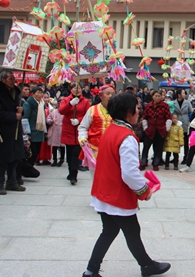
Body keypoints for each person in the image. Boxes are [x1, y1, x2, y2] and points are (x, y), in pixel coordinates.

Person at [83, 93, 171, 277]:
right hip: (117, 195)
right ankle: (146, 266)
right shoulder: (127, 137)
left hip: (104, 192)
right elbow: (130, 173)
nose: (139, 111)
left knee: (109, 231)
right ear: (127, 112)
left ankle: (91, 270)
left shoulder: (111, 129)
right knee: (132, 231)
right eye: (137, 108)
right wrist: (144, 191)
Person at [0, 70, 26, 195]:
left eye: (13, 78)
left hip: (16, 128)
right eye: (10, 79)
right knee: (3, 158)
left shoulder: (16, 91)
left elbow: (19, 110)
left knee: (16, 156)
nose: (13, 81)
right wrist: (13, 116)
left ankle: (12, 181)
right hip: (5, 129)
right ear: (3, 80)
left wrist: (20, 111)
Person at [59, 83, 91, 185]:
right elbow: (61, 111)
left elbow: (88, 114)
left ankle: (74, 175)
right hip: (68, 129)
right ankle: (70, 172)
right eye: (74, 88)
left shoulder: (85, 102)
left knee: (76, 154)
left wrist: (79, 120)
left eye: (79, 88)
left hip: (79, 130)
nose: (77, 90)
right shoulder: (66, 100)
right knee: (69, 154)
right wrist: (70, 104)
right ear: (70, 89)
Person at [78, 85, 115, 167]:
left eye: (113, 94)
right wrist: (82, 138)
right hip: (94, 150)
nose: (110, 96)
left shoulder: (118, 112)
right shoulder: (92, 110)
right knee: (95, 178)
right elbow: (83, 127)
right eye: (108, 93)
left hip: (112, 150)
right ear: (101, 96)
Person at [140, 91, 172, 171]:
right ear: (152, 96)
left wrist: (166, 129)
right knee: (146, 147)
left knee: (159, 148)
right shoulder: (148, 106)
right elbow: (145, 118)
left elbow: (168, 118)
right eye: (156, 96)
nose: (157, 97)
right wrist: (146, 128)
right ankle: (143, 162)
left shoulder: (165, 106)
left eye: (159, 96)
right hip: (150, 130)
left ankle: (156, 163)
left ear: (161, 97)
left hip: (161, 130)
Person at [22, 87, 46, 168]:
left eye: (41, 93)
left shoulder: (42, 104)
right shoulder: (28, 104)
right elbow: (25, 119)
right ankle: (28, 167)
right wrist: (27, 133)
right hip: (32, 132)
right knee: (32, 152)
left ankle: (29, 167)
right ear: (32, 94)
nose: (40, 95)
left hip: (40, 131)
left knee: (37, 152)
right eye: (38, 92)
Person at [173, 89, 193, 164]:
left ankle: (186, 157)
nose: (184, 94)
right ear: (179, 94)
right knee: (175, 140)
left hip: (185, 122)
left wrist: (189, 121)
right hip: (176, 122)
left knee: (185, 141)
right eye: (183, 93)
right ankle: (175, 157)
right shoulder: (173, 102)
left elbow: (191, 112)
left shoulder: (187, 102)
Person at [47, 97, 65, 167]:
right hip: (54, 130)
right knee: (54, 145)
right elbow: (48, 118)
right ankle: (54, 159)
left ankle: (62, 159)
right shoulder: (53, 112)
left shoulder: (66, 112)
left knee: (62, 146)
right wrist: (51, 121)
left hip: (62, 130)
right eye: (59, 103)